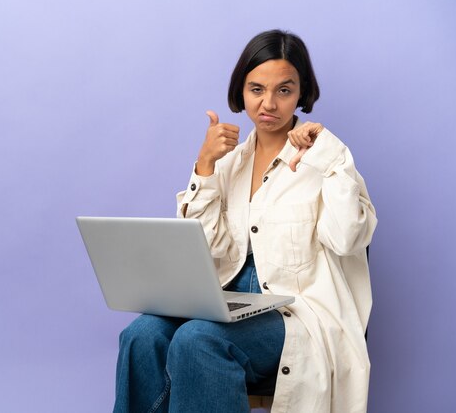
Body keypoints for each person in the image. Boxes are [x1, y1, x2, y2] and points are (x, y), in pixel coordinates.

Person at [113, 29, 377, 413]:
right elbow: (204, 251)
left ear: (301, 93)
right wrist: (204, 168)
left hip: (294, 317)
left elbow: (348, 239)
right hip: (224, 303)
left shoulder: (326, 159)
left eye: (284, 91)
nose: (268, 103)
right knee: (142, 335)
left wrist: (328, 155)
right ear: (241, 91)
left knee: (198, 339)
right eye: (256, 90)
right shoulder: (228, 164)